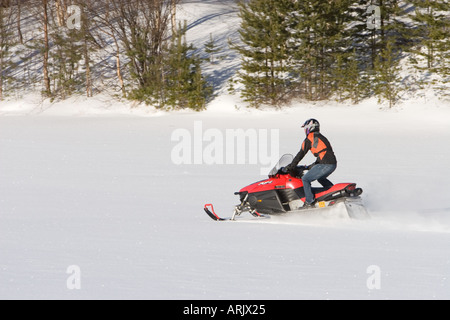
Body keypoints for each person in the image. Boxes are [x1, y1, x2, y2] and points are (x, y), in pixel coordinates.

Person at [285, 119, 337, 208]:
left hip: (326, 164)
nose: (305, 131)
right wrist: (311, 167)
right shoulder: (320, 137)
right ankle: (333, 194)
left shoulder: (310, 138)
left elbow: (300, 154)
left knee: (305, 179)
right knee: (321, 178)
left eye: (305, 128)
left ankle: (309, 202)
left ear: (309, 128)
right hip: (332, 163)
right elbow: (323, 154)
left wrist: (291, 166)